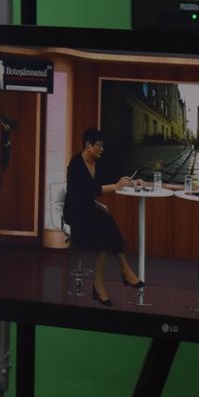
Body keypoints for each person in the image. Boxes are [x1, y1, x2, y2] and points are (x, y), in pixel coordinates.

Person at [64, 127, 144, 307]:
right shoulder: (75, 165)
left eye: (102, 145)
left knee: (106, 226)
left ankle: (106, 282)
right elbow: (87, 191)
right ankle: (120, 274)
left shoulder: (97, 163)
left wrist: (131, 182)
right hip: (75, 213)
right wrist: (115, 186)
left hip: (89, 210)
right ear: (88, 145)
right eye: (99, 145)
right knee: (105, 228)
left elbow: (112, 179)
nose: (102, 149)